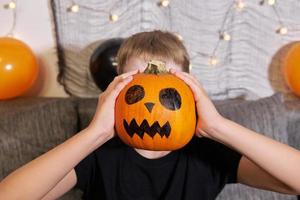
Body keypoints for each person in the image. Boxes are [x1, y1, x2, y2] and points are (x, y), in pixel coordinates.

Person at [0, 30, 300, 200]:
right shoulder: (97, 153)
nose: (151, 103)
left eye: (168, 86)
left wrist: (220, 127)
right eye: (138, 85)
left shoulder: (210, 154)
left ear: (190, 88)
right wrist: (95, 133)